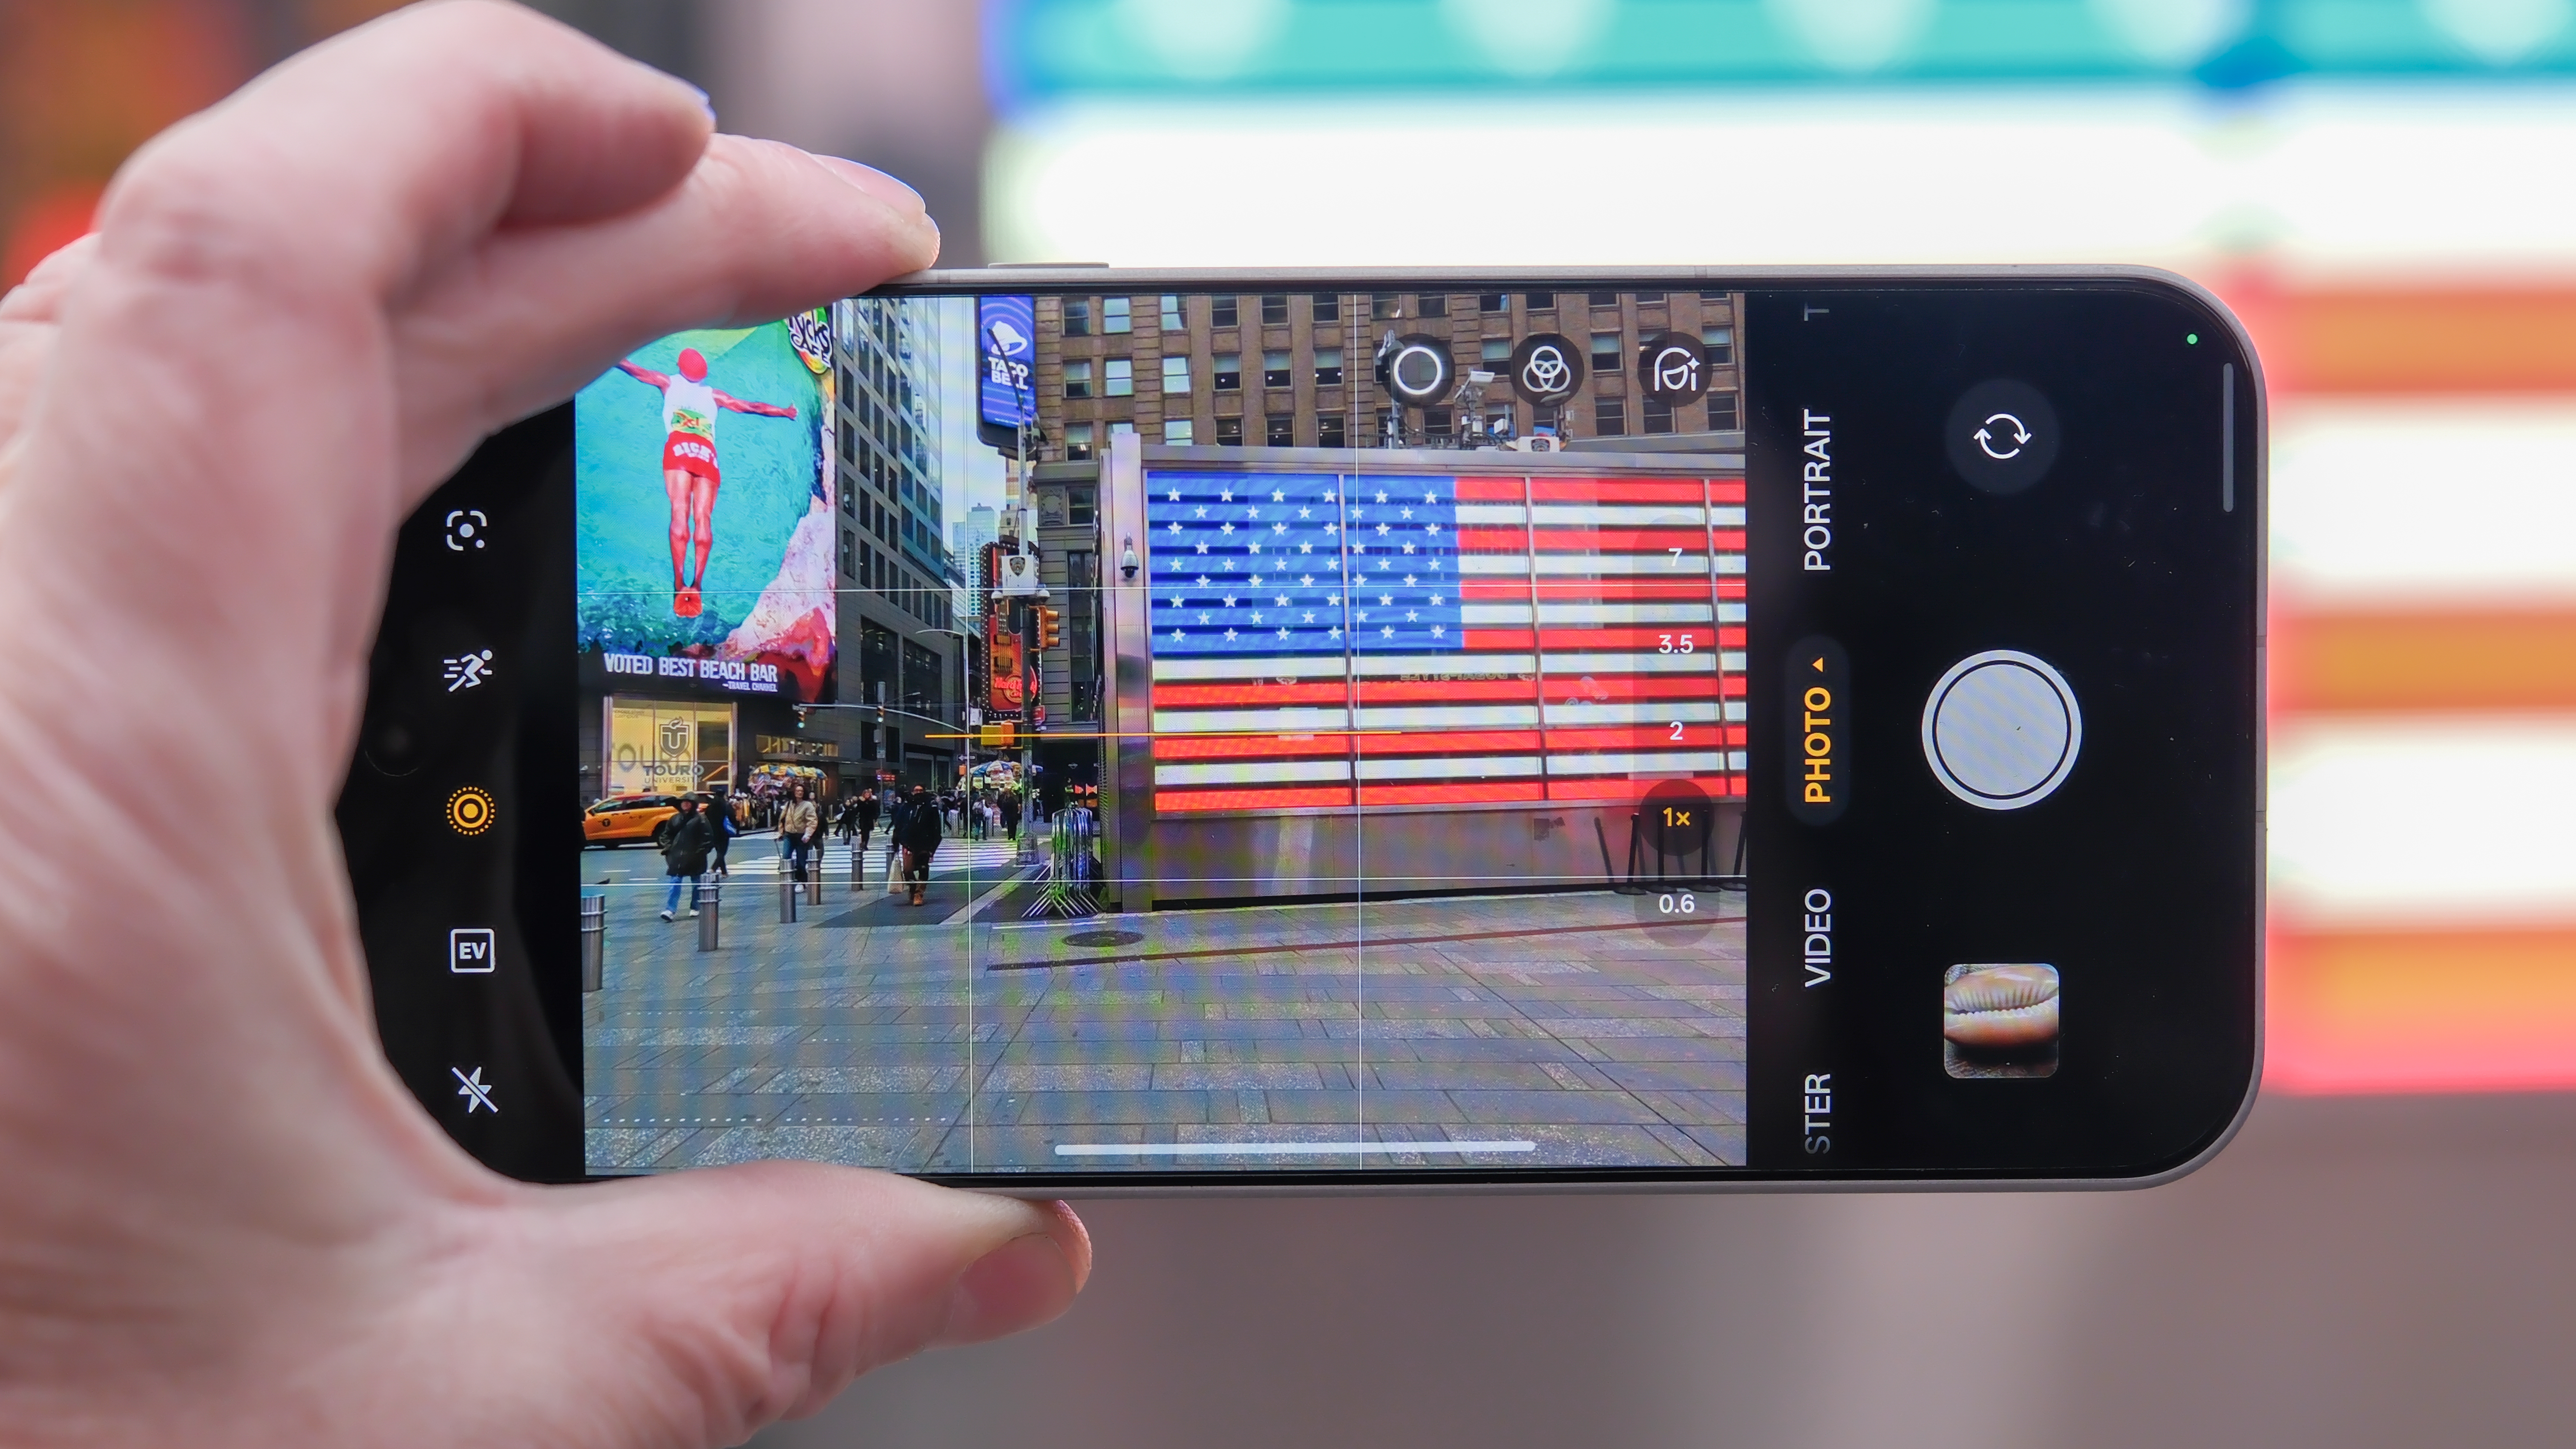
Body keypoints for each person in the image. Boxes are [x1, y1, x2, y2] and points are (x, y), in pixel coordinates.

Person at [0, 7, 1087, 1443]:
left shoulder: (708, 413)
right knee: (692, 570)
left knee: (700, 560)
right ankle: (699, 689)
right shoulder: (674, 398)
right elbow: (656, 385)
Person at [611, 346, 799, 618]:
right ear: (702, 374)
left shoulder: (667, 382)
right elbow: (751, 407)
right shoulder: (715, 395)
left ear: (680, 367)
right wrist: (785, 412)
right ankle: (698, 583)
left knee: (679, 512)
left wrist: (606, 356)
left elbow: (633, 369)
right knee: (703, 518)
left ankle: (679, 584)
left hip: (679, 449)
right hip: (706, 454)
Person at [658, 797, 714, 921]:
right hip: (678, 858)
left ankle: (696, 906)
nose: (685, 805)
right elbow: (666, 835)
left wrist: (700, 852)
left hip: (695, 858)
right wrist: (670, 849)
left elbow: (708, 838)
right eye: (683, 803)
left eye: (688, 803)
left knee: (696, 884)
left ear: (693, 805)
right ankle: (670, 910)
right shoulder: (675, 819)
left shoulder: (701, 819)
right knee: (675, 883)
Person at [897, 784, 943, 907]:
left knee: (923, 868)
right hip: (908, 843)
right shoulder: (907, 806)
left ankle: (919, 894)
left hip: (925, 843)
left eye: (921, 791)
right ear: (913, 792)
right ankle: (913, 890)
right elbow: (899, 824)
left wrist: (933, 847)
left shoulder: (930, 807)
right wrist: (898, 840)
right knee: (907, 870)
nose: (918, 793)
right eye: (916, 790)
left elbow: (936, 827)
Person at [779, 780, 820, 883]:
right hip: (789, 835)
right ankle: (789, 878)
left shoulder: (808, 805)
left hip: (801, 836)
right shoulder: (790, 804)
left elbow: (812, 821)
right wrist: (781, 832)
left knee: (801, 862)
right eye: (797, 791)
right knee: (786, 856)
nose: (799, 793)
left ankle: (801, 881)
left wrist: (808, 834)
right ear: (794, 792)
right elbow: (783, 819)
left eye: (801, 791)